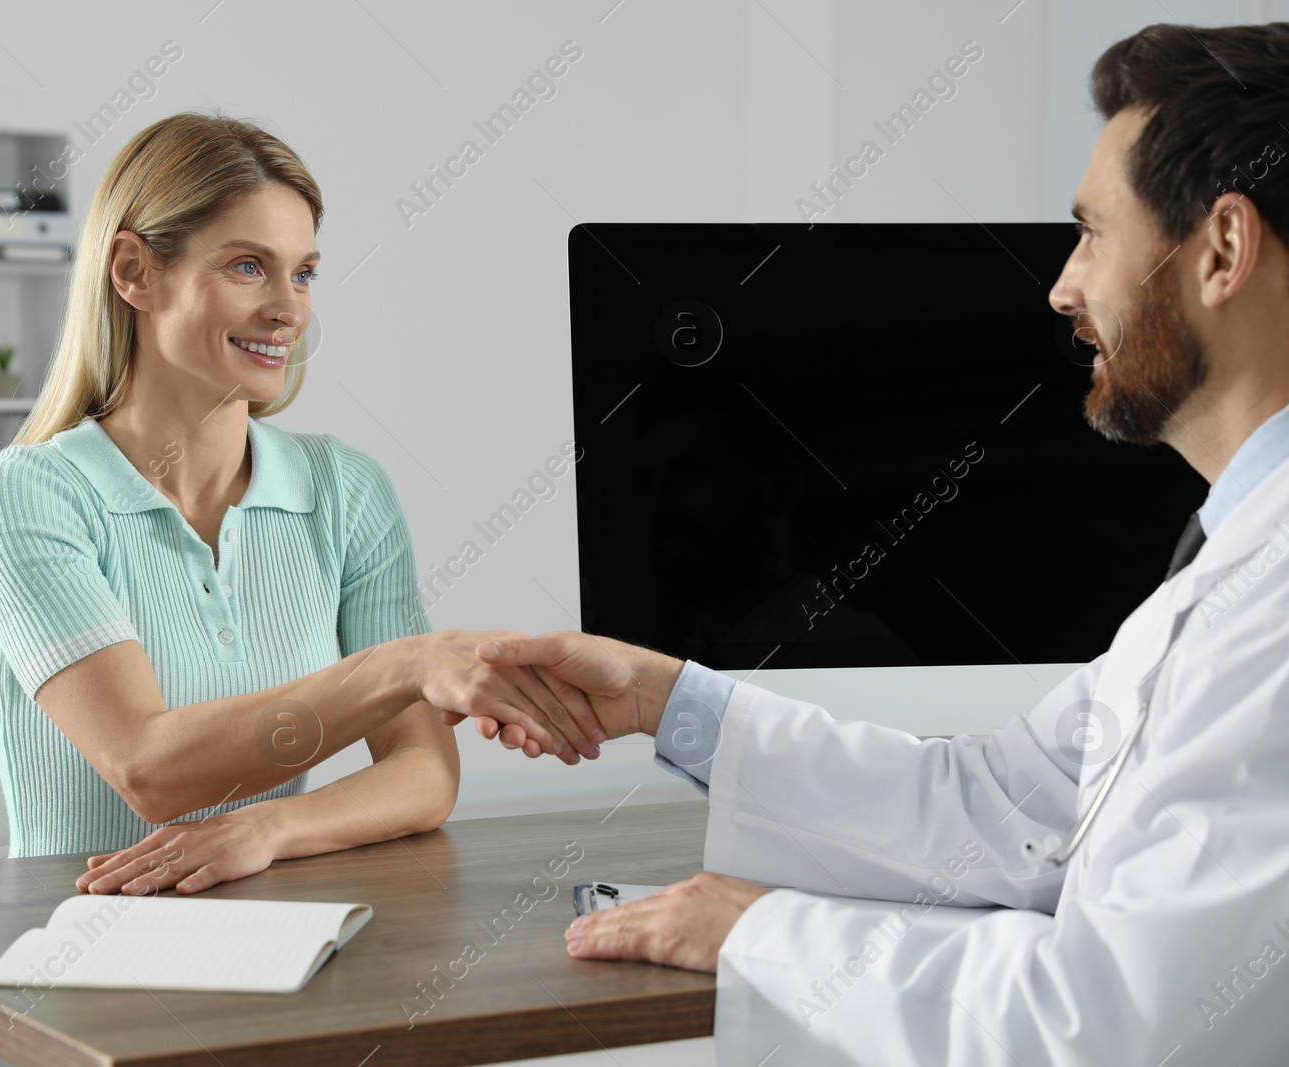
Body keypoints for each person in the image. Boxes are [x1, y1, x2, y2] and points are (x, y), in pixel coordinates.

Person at [455, 21, 1289, 1064]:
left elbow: (1118, 1026)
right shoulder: (1232, 560)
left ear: (1220, 248)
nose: (1062, 286)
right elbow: (999, 801)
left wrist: (756, 928)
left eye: (1090, 233)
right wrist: (671, 699)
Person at [0, 113, 609, 896]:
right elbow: (148, 768)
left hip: (272, 933)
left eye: (302, 273)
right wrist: (404, 665)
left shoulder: (345, 491)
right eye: (246, 267)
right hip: (75, 945)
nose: (289, 310)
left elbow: (423, 773)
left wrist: (268, 827)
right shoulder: (26, 497)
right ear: (133, 270)